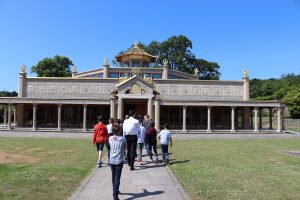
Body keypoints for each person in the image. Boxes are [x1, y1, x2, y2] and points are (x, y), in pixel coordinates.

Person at [109, 123, 126, 200]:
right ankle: (115, 195)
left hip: (112, 160)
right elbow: (125, 148)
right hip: (119, 160)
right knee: (117, 178)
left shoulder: (110, 138)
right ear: (119, 130)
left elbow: (109, 147)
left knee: (113, 176)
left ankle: (115, 190)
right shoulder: (122, 139)